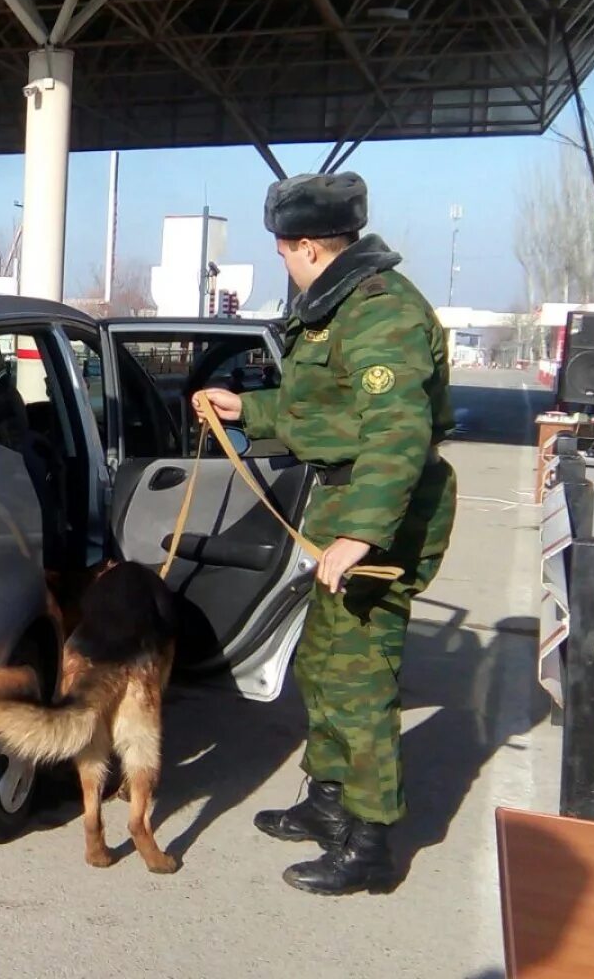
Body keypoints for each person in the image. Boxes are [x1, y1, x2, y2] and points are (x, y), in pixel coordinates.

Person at [196, 171, 457, 896]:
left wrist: (363, 536)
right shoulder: (340, 309)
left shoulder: (380, 315)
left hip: (380, 512)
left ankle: (371, 842)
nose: (283, 259)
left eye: (282, 250)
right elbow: (327, 405)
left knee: (361, 676)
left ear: (307, 245)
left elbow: (395, 432)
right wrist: (247, 409)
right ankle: (329, 798)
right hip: (345, 504)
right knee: (323, 663)